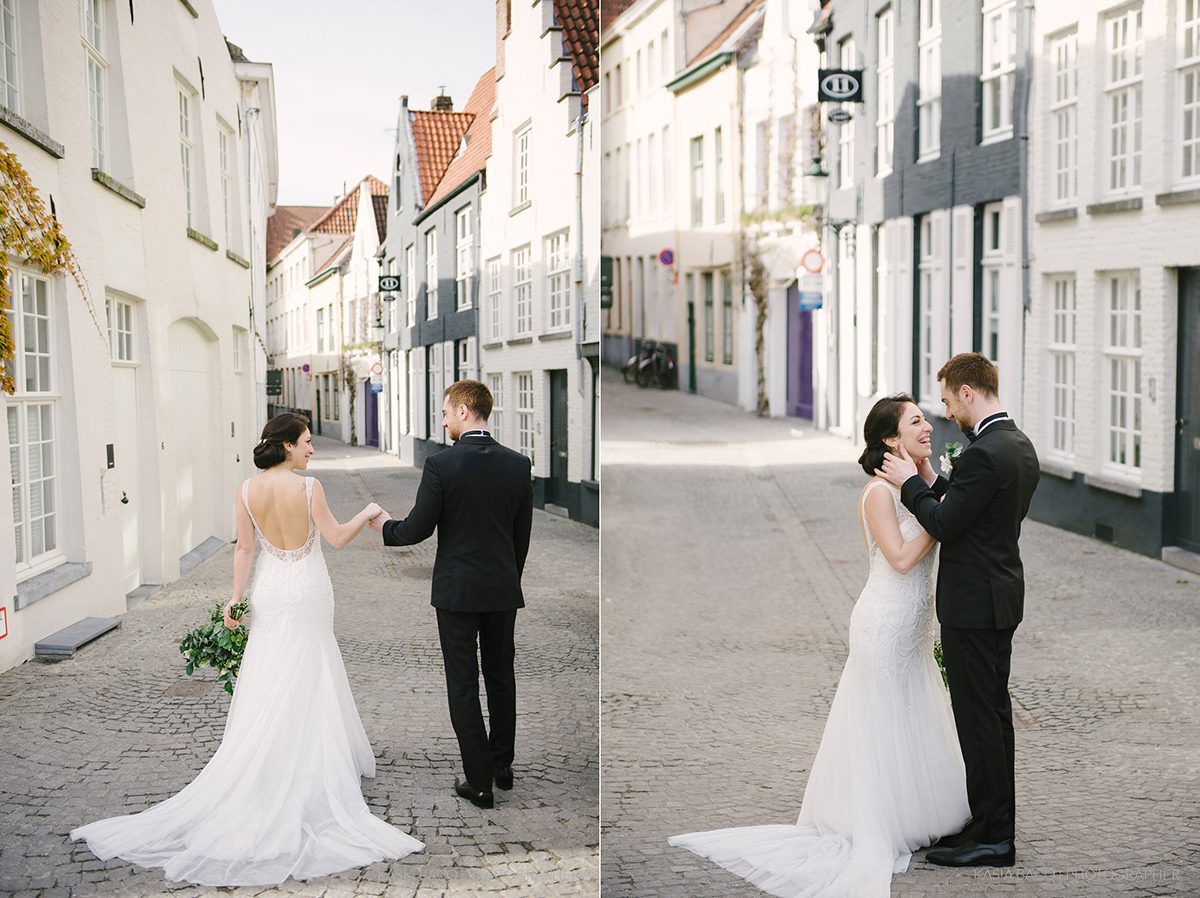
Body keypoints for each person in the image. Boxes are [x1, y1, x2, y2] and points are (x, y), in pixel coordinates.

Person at [71, 413, 424, 886]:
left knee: (271, 669)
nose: (312, 450)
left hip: (271, 591)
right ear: (285, 447)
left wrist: (234, 601)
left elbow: (243, 549)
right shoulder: (309, 489)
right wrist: (369, 511)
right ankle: (308, 763)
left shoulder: (245, 490)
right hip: (308, 588)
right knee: (311, 665)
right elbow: (337, 539)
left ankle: (264, 756)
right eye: (305, 442)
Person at [669, 394, 970, 898]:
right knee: (880, 721)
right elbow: (898, 559)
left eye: (925, 418)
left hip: (914, 627)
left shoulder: (921, 486)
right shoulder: (879, 493)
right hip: (884, 622)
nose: (928, 426)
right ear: (891, 440)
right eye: (916, 421)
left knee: (913, 711)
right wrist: (940, 528)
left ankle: (918, 812)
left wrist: (937, 500)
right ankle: (877, 820)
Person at [878, 353, 1040, 867]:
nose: (946, 413)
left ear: (968, 393)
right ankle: (988, 823)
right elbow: (974, 511)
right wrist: (930, 475)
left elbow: (946, 526)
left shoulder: (983, 454)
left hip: (974, 605)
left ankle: (995, 837)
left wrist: (909, 483)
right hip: (998, 597)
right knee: (991, 716)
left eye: (947, 400)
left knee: (979, 720)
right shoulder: (1017, 445)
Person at [370, 380, 533, 811]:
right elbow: (522, 539)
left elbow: (419, 527)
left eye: (445, 413)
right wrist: (504, 579)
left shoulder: (442, 465)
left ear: (464, 411)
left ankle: (479, 782)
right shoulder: (518, 465)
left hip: (457, 594)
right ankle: (502, 767)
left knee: (462, 683)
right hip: (502, 591)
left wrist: (385, 527)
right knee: (501, 677)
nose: (441, 421)